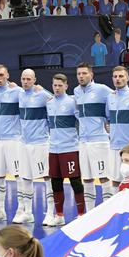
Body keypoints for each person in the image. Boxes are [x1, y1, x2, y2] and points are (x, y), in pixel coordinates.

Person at [74, 63, 115, 211]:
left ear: (91, 75)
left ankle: (107, 211)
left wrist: (109, 120)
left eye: (84, 73)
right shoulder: (76, 91)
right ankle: (90, 213)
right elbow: (76, 111)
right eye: (79, 74)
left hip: (100, 141)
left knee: (104, 177)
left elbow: (118, 97)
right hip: (83, 142)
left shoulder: (102, 89)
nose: (81, 76)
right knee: (87, 178)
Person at [16, 68, 55, 225]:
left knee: (47, 177)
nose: (25, 82)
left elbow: (57, 100)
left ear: (34, 80)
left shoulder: (42, 95)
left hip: (41, 143)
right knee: (25, 177)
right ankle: (28, 212)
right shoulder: (19, 93)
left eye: (28, 79)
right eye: (23, 79)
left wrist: (44, 89)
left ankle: (51, 212)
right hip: (24, 143)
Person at [46, 73, 85, 225]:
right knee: (55, 182)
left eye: (60, 85)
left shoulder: (72, 102)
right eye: (54, 85)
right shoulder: (48, 103)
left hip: (69, 148)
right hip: (53, 149)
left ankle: (82, 214)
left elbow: (82, 121)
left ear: (66, 86)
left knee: (75, 181)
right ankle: (59, 216)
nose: (57, 88)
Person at [0, 64, 23, 223]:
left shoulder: (17, 91)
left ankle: (22, 210)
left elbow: (33, 97)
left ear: (7, 75)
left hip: (13, 139)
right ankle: (0, 210)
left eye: (2, 75)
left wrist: (23, 87)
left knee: (18, 175)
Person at [107, 67, 129, 191]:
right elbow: (108, 119)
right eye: (115, 76)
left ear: (128, 78)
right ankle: (117, 209)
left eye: (121, 76)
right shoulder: (110, 97)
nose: (118, 79)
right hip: (114, 146)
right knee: (115, 181)